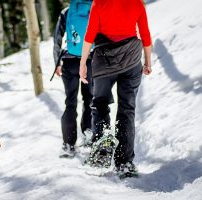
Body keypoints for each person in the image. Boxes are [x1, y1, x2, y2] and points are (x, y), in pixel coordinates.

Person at [79, 0, 152, 176]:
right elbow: (145, 34)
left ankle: (102, 149)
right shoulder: (137, 3)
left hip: (104, 60)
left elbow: (90, 34)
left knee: (100, 104)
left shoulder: (99, 2)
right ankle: (125, 163)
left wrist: (83, 63)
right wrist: (148, 61)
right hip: (131, 59)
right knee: (127, 109)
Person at [53, 0, 93, 158]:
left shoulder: (66, 12)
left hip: (69, 62)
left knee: (70, 102)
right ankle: (89, 138)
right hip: (90, 61)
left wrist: (57, 62)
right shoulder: (94, 9)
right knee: (89, 99)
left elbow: (57, 38)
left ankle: (68, 145)